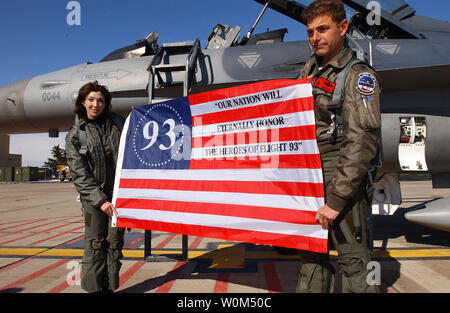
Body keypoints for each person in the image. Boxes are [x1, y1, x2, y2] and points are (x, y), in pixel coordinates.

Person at [296, 0, 381, 293]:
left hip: (339, 171)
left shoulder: (357, 75)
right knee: (312, 259)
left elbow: (362, 141)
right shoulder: (309, 70)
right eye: (310, 32)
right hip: (309, 174)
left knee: (355, 263)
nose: (315, 37)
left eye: (322, 29)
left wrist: (336, 200)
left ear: (343, 28)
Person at [65, 81, 125, 293]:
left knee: (114, 243)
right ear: (83, 102)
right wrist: (100, 200)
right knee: (95, 245)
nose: (95, 104)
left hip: (118, 196)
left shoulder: (118, 123)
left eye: (100, 100)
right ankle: (94, 290)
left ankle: (109, 288)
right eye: (91, 99)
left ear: (105, 103)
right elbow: (79, 174)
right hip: (95, 200)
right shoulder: (75, 134)